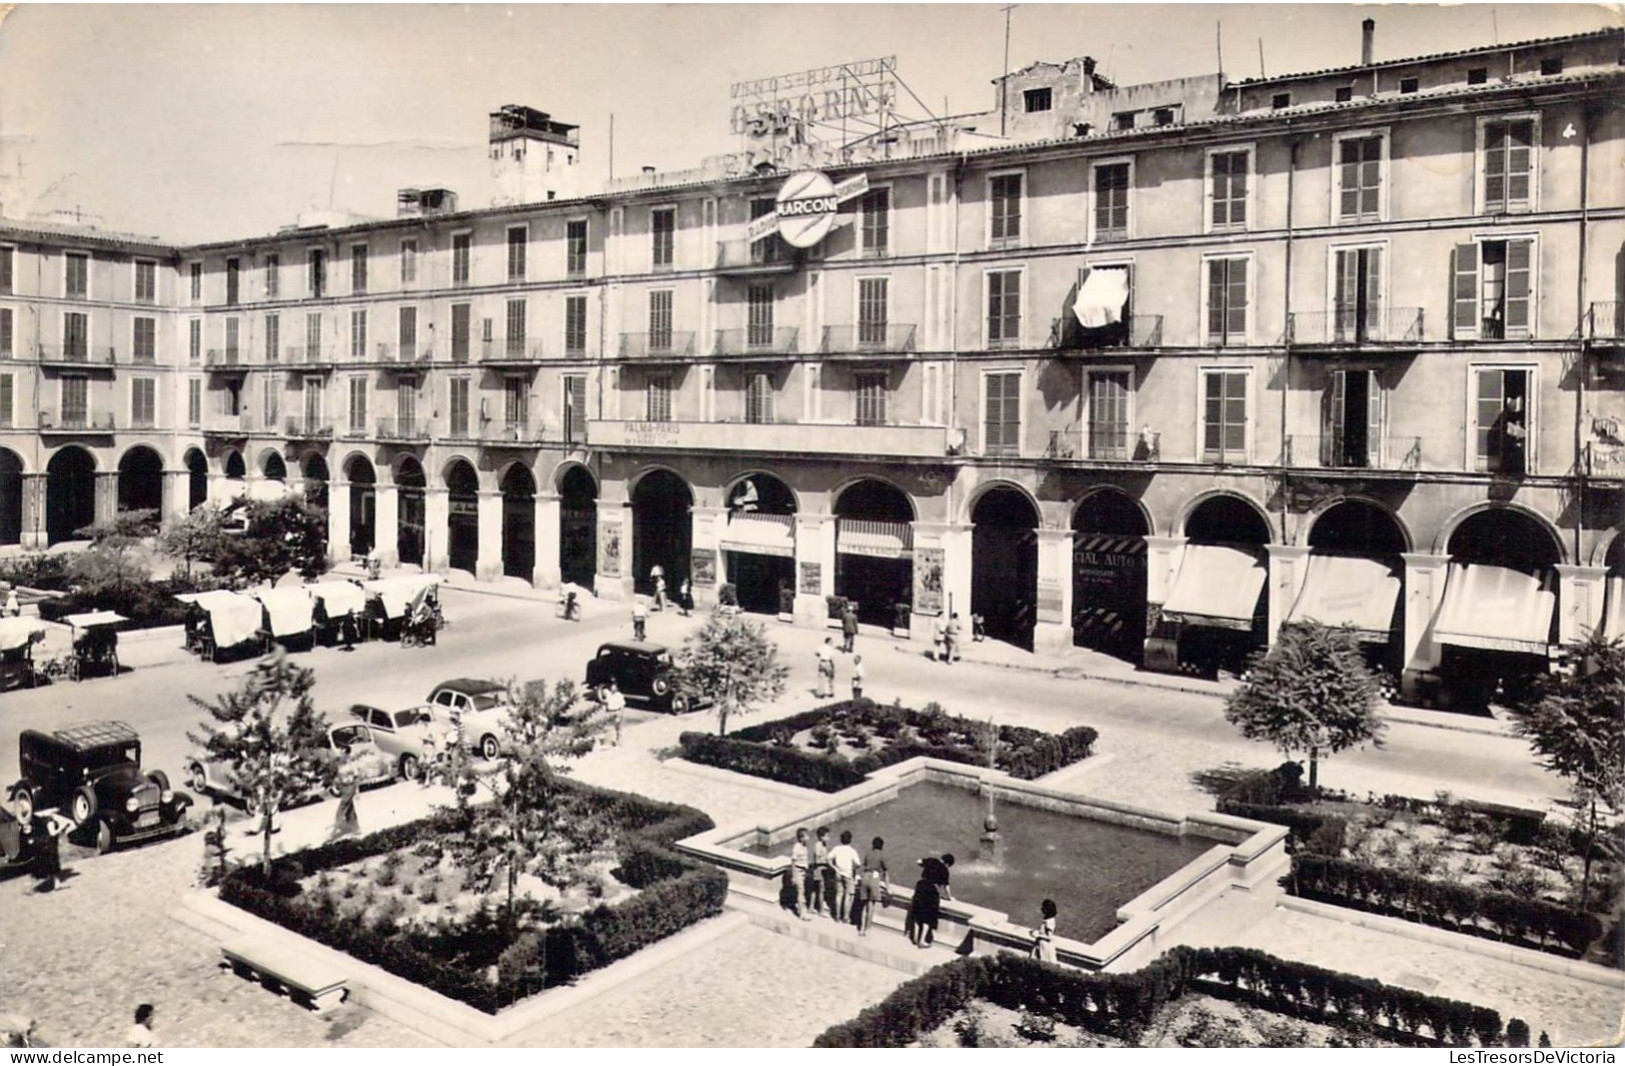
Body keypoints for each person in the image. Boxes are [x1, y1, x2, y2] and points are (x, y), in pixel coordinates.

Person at [905, 853, 955, 948]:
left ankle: (915, 938)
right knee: (928, 918)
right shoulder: (944, 870)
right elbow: (946, 887)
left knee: (916, 914)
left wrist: (923, 865)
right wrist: (950, 897)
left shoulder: (932, 860)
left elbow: (918, 861)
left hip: (920, 886)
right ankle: (922, 941)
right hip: (931, 891)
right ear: (948, 864)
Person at [855, 836, 888, 936]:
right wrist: (888, 886)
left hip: (865, 876)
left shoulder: (868, 853)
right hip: (874, 878)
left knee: (864, 905)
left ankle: (861, 928)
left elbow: (864, 864)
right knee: (871, 905)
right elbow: (885, 870)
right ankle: (867, 928)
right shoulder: (882, 855)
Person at [828, 829, 861, 925]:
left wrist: (835, 868)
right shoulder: (852, 851)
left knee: (839, 895)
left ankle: (837, 916)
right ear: (850, 840)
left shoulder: (837, 849)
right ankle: (845, 917)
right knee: (848, 896)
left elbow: (828, 858)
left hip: (838, 873)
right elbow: (858, 864)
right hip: (848, 875)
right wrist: (853, 869)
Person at [788, 828, 813, 921]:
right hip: (798, 871)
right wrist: (794, 876)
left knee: (802, 891)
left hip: (803, 871)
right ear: (801, 838)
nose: (809, 838)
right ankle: (803, 913)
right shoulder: (797, 847)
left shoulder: (804, 846)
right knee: (800, 891)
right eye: (807, 836)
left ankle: (803, 909)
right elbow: (793, 862)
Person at [808, 825, 832, 917]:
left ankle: (811, 907)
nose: (828, 838)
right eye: (827, 836)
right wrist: (827, 861)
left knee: (815, 889)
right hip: (819, 870)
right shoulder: (818, 845)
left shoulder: (823, 845)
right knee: (821, 890)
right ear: (821, 837)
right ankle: (821, 910)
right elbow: (817, 860)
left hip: (820, 870)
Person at [330, 771, 360, 841]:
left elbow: (338, 793)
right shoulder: (344, 785)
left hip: (346, 797)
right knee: (350, 813)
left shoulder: (349, 785)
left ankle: (335, 832)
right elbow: (338, 794)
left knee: (340, 814)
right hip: (347, 796)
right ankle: (355, 829)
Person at [1030, 898, 1058, 963]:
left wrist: (1037, 935)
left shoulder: (1049, 922)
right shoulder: (1046, 920)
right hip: (1040, 945)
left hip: (1045, 947)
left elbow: (1049, 937)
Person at [603, 681, 627, 746]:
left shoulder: (619, 695)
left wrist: (620, 715)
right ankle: (608, 741)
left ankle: (619, 741)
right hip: (610, 712)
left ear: (617, 688)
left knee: (618, 728)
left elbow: (622, 706)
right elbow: (606, 702)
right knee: (608, 727)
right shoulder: (608, 694)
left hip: (617, 712)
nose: (612, 688)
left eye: (614, 687)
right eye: (611, 687)